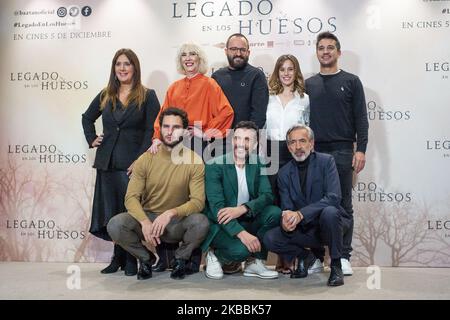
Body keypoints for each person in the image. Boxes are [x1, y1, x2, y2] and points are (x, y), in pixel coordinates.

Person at [81, 48, 160, 276]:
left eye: (127, 64)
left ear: (135, 67)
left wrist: (140, 160)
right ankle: (117, 258)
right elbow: (87, 118)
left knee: (129, 213)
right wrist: (91, 138)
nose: (122, 68)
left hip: (132, 166)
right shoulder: (106, 94)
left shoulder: (147, 95)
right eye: (118, 64)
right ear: (114, 69)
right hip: (107, 163)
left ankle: (131, 259)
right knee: (111, 212)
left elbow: (151, 130)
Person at [107, 107, 209, 280]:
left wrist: (171, 213)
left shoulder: (194, 160)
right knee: (115, 225)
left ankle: (180, 259)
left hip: (176, 223)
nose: (169, 132)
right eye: (166, 126)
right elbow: (131, 198)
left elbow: (198, 201)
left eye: (176, 127)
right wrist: (145, 221)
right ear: (159, 128)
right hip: (148, 220)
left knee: (201, 223)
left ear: (185, 131)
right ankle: (146, 259)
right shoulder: (146, 159)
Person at [305, 31, 369, 275]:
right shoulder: (309, 84)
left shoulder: (352, 81)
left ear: (338, 52)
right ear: (317, 52)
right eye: (321, 48)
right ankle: (315, 257)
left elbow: (361, 120)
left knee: (343, 206)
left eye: (330, 48)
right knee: (313, 205)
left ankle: (341, 258)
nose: (326, 52)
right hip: (314, 151)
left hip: (343, 150)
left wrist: (360, 149)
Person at [264, 124, 347, 286]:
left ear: (311, 143)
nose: (298, 147)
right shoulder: (284, 173)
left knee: (330, 212)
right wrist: (287, 219)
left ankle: (336, 266)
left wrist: (301, 214)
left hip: (328, 227)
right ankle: (304, 256)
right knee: (270, 238)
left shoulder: (326, 162)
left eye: (302, 141)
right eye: (293, 142)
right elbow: (287, 206)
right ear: (288, 147)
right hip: (303, 230)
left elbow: (333, 198)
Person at [201, 121, 280, 280]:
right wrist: (242, 234)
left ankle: (255, 262)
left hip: (245, 217)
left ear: (255, 144)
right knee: (241, 250)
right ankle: (214, 256)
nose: (240, 144)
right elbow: (217, 209)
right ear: (232, 140)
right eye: (237, 138)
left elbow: (267, 195)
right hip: (220, 223)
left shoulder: (258, 162)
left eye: (247, 139)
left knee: (274, 213)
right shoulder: (214, 165)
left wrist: (243, 208)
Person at [264, 54, 310, 274]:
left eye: (290, 69)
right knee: (274, 203)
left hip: (294, 151)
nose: (286, 73)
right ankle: (276, 255)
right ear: (277, 72)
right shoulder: (267, 96)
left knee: (291, 202)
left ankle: (290, 255)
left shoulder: (304, 98)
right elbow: (262, 127)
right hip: (271, 150)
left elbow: (308, 129)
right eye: (282, 69)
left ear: (296, 72)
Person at [149, 42, 234, 156]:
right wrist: (157, 138)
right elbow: (163, 115)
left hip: (198, 144)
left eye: (192, 54)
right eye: (184, 55)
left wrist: (205, 132)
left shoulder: (210, 85)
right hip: (173, 142)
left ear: (199, 59)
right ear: (180, 60)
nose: (188, 58)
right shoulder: (174, 87)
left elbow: (227, 112)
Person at [212, 33, 268, 130]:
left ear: (248, 52)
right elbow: (212, 111)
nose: (238, 53)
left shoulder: (257, 75)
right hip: (220, 138)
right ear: (226, 51)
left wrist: (247, 136)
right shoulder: (217, 76)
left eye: (242, 50)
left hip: (247, 139)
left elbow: (259, 114)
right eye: (233, 49)